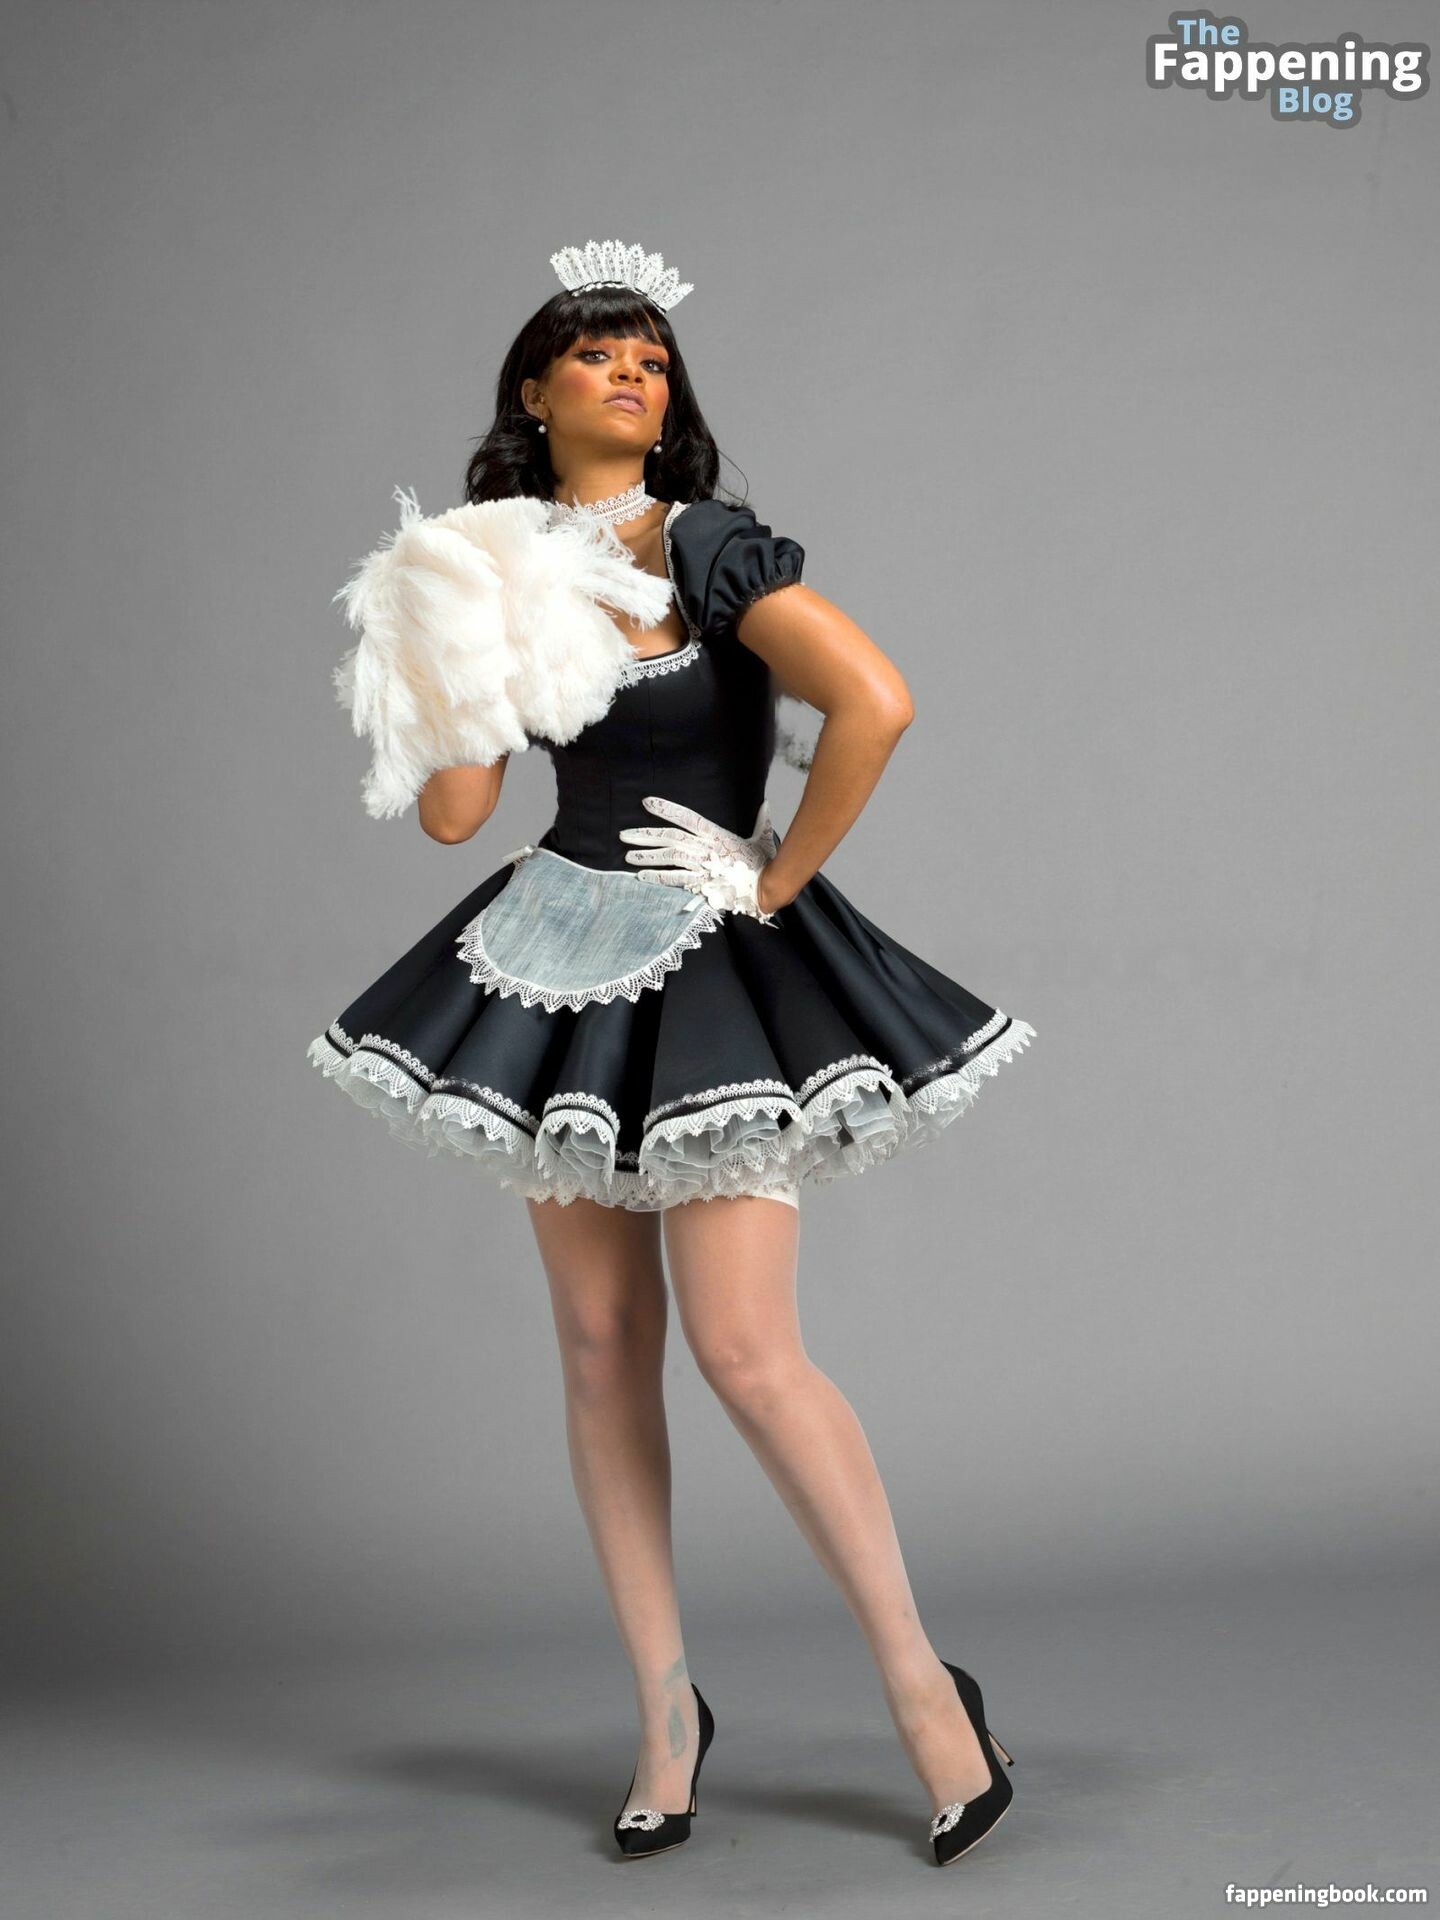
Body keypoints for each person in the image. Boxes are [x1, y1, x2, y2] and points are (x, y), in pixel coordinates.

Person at [308, 238, 1033, 1866]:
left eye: (651, 358)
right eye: (598, 353)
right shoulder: (494, 566)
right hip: (556, 950)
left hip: (709, 957)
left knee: (745, 1352)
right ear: (534, 390)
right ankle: (664, 1712)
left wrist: (773, 880)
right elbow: (454, 815)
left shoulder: (704, 544)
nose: (633, 374)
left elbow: (876, 703)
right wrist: (447, 637)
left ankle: (925, 1692)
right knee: (595, 1347)